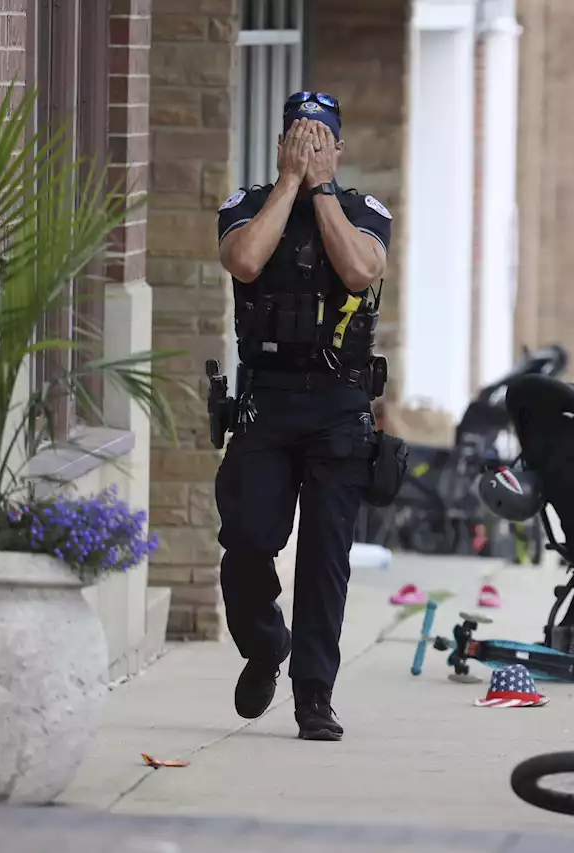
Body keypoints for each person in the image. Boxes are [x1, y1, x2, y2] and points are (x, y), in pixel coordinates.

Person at [214, 92, 393, 742]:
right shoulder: (246, 205)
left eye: (322, 139)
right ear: (283, 143)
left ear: (339, 149)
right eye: (300, 137)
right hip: (267, 402)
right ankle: (265, 644)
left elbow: (356, 269)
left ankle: (314, 695)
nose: (312, 146)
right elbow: (245, 261)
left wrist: (319, 190)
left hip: (339, 408)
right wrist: (290, 183)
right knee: (246, 543)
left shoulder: (363, 212)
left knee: (325, 558)